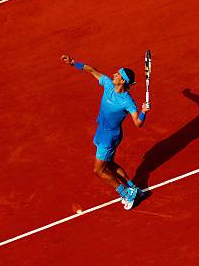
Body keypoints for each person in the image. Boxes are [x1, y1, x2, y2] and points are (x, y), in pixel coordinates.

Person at [61, 54, 150, 210]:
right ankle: (132, 187)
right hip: (101, 131)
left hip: (110, 137)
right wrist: (73, 63)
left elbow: (138, 123)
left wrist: (143, 112)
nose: (114, 74)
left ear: (122, 81)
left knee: (98, 170)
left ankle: (126, 193)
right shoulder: (109, 84)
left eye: (118, 74)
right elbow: (92, 71)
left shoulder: (127, 101)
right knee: (109, 163)